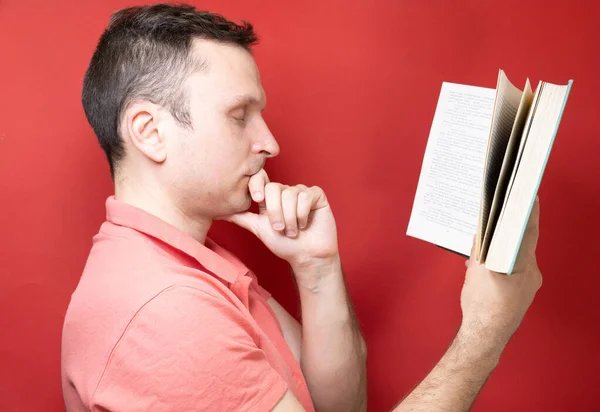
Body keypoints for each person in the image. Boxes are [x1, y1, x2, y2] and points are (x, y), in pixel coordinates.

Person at [61, 4, 543, 411]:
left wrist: (317, 267)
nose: (269, 142)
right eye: (239, 115)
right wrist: (486, 332)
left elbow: (340, 407)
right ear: (149, 131)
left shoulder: (190, 266)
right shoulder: (163, 313)